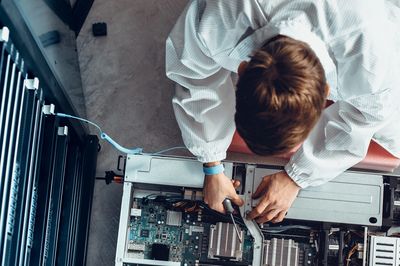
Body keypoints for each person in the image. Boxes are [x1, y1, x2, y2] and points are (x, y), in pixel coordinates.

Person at [165, 0, 400, 223]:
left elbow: (362, 121)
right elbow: (193, 75)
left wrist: (297, 176)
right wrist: (211, 161)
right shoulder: (218, 17)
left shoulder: (374, 61)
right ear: (244, 69)